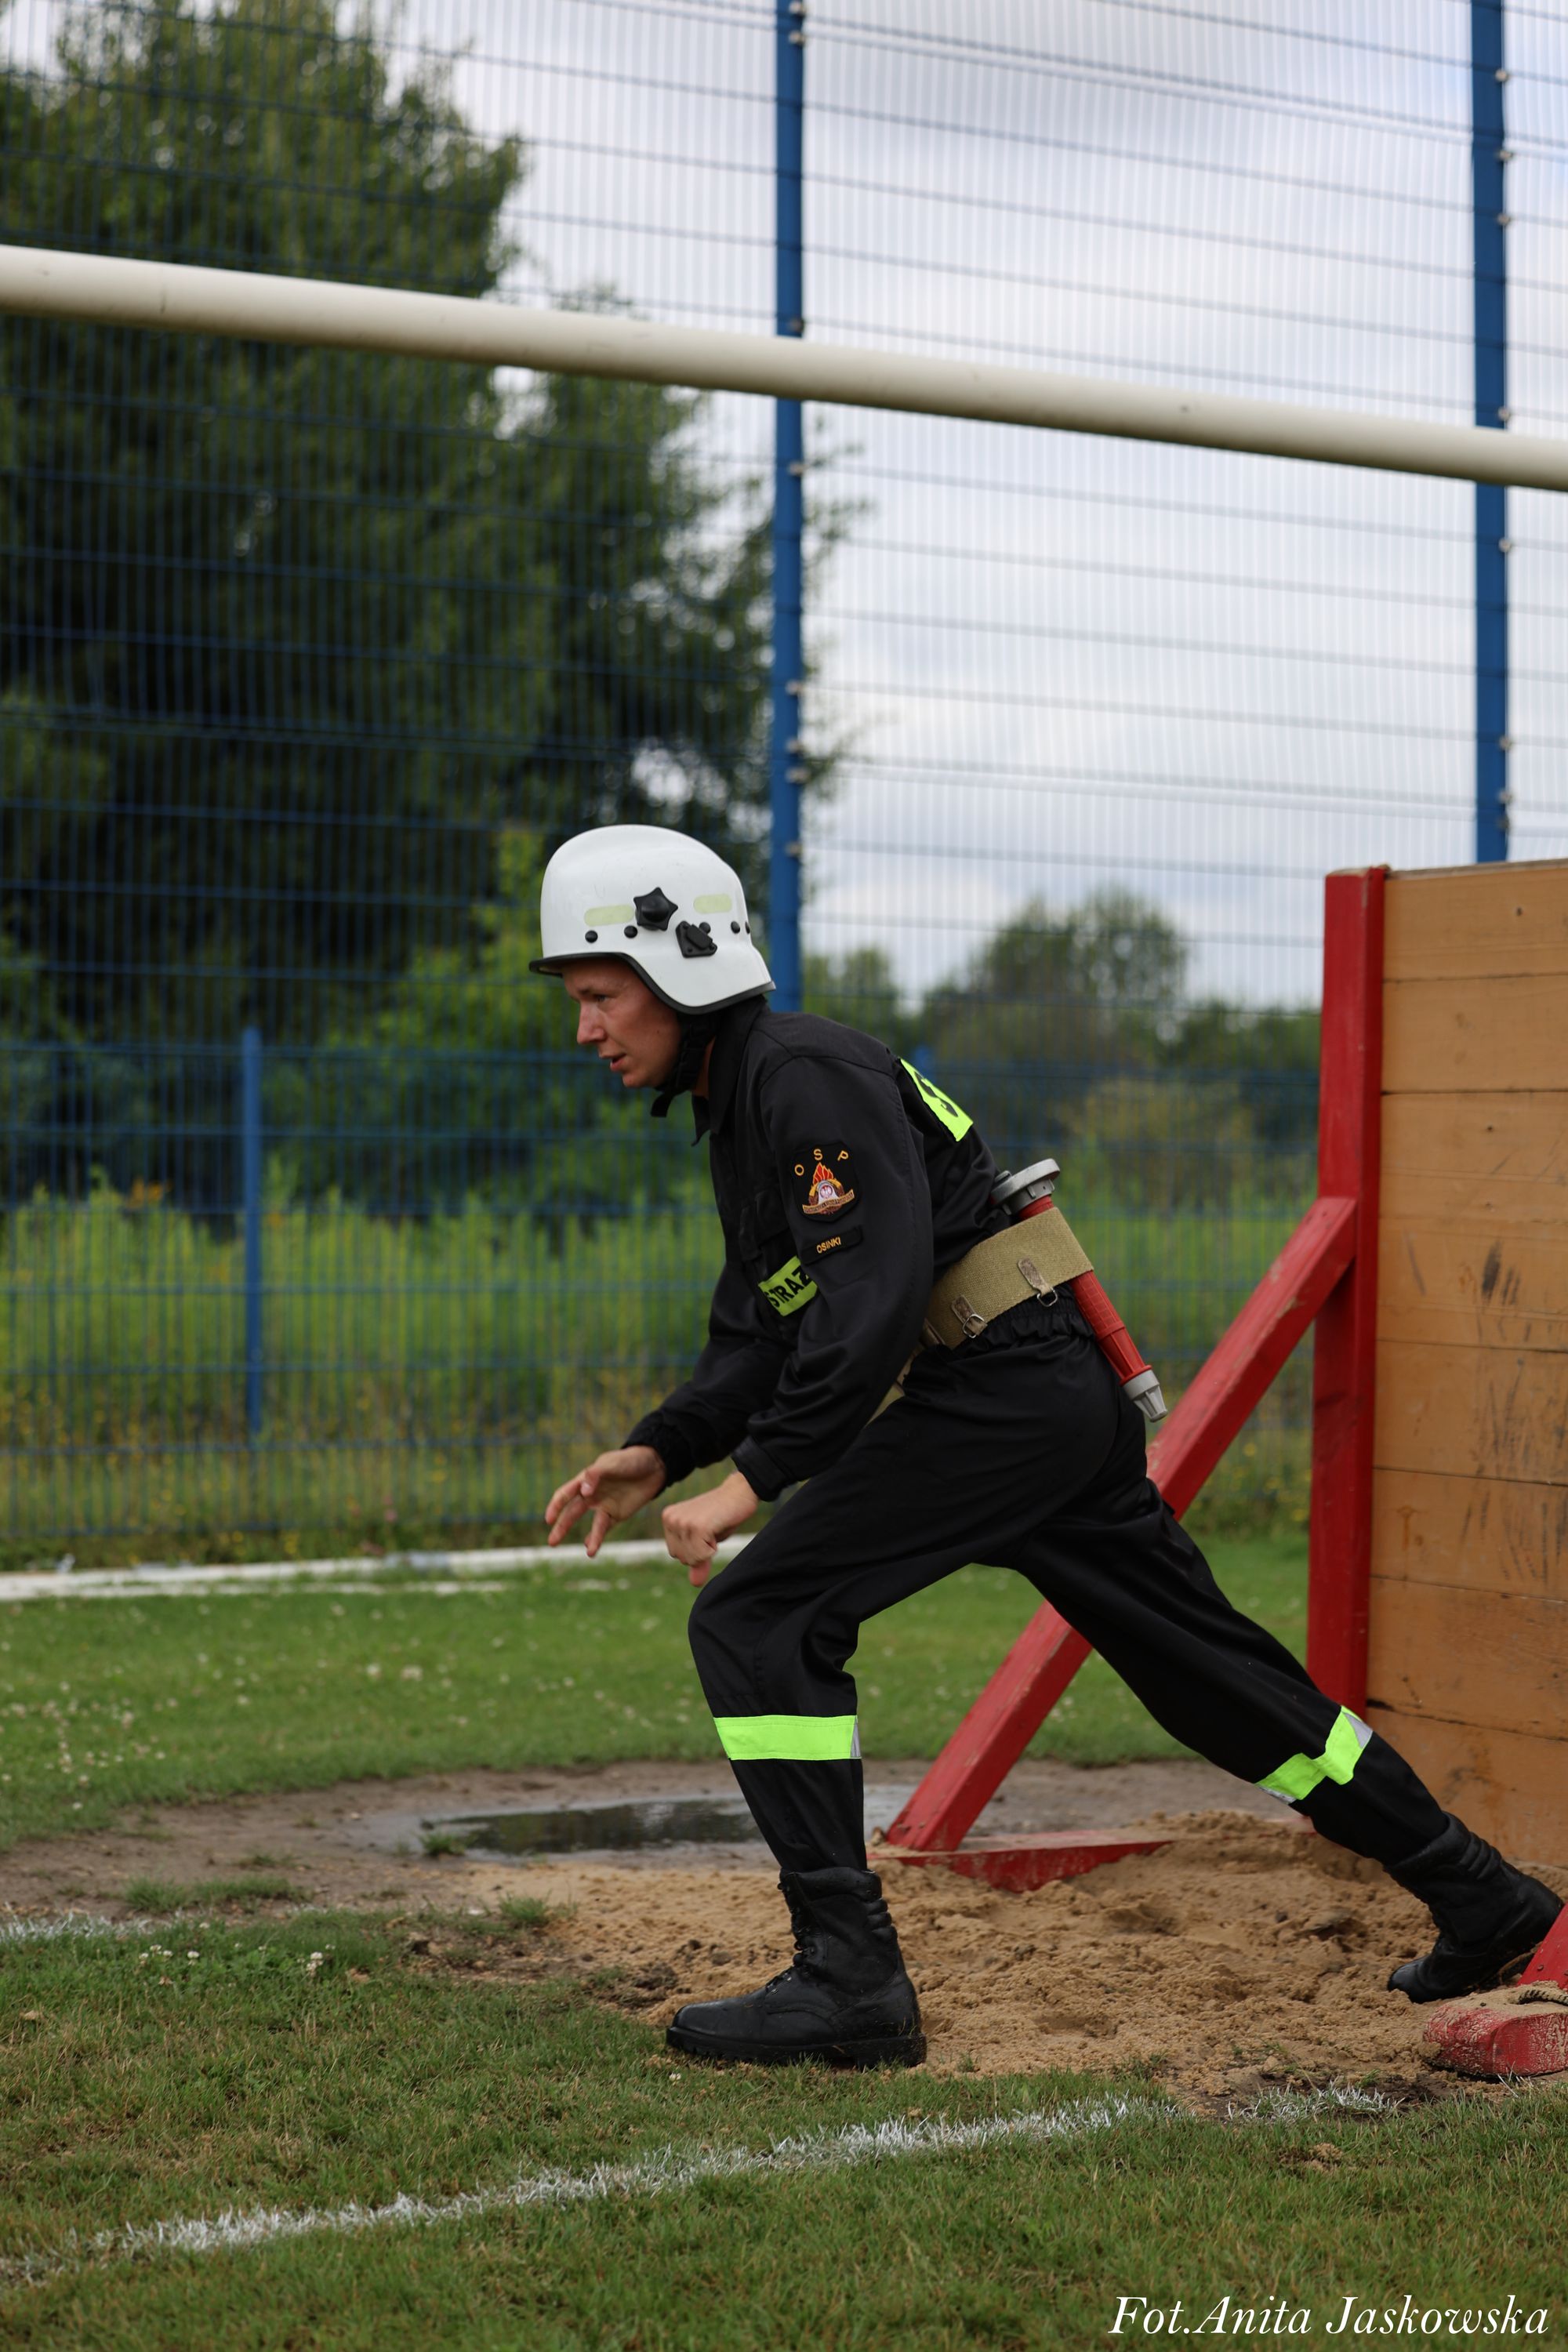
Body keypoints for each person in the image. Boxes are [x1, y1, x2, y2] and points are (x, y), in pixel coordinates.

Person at [536, 822, 1562, 2070]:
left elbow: (869, 1307)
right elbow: (770, 1326)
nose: (586, 1029)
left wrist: (752, 1481)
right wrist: (665, 1448)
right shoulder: (745, 1101)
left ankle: (851, 1981)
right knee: (1205, 1673)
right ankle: (1482, 1895)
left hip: (1003, 1396)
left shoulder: (800, 1076)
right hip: (1033, 1398)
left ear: (684, 966)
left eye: (599, 996)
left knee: (757, 1619)